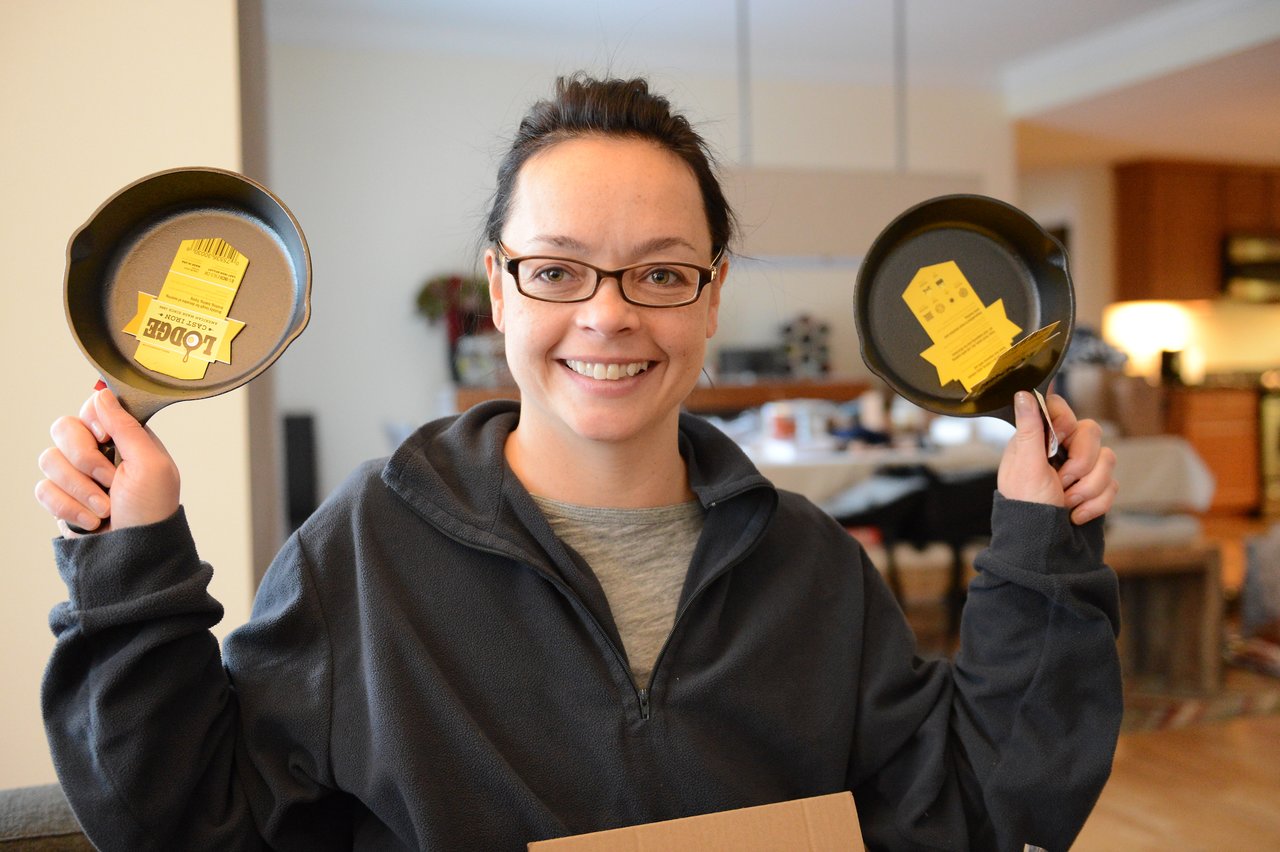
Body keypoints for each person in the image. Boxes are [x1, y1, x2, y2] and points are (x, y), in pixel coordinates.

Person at [35, 74, 1121, 851]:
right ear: (499, 289)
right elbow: (183, 821)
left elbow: (988, 801)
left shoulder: (809, 566)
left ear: (710, 293)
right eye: (557, 271)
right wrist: (128, 567)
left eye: (659, 274)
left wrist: (1039, 550)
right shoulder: (364, 548)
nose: (607, 317)